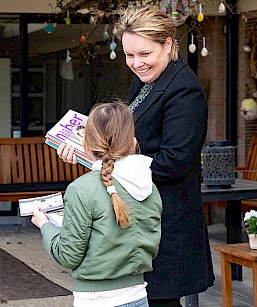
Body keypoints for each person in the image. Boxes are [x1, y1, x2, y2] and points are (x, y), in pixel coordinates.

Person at [57, 6, 214, 306]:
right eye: (130, 55)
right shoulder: (147, 81)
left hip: (165, 229)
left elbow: (174, 163)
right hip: (143, 228)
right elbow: (129, 141)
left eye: (144, 54)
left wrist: (107, 160)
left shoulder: (184, 90)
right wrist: (90, 150)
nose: (137, 63)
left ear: (168, 44)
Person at [32, 101, 162, 307]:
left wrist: (45, 225)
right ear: (133, 142)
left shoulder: (82, 189)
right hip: (138, 297)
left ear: (84, 145)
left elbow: (67, 256)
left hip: (96, 300)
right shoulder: (149, 185)